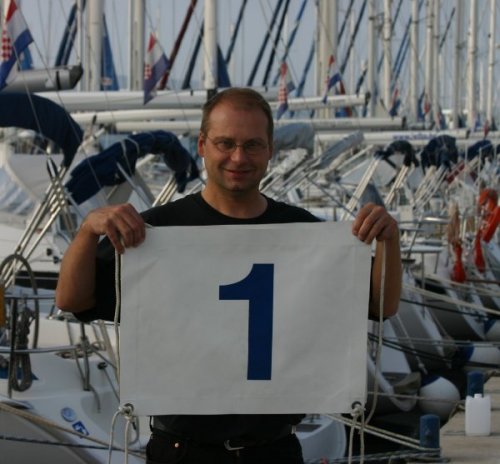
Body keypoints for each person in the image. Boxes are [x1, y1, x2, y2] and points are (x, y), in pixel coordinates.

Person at [56, 87, 402, 464]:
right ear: (202, 145)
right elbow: (73, 301)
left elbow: (379, 306)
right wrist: (87, 231)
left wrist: (389, 240)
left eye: (252, 145)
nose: (239, 157)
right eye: (225, 143)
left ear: (270, 150)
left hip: (274, 451)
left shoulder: (305, 234)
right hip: (181, 451)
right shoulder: (153, 233)